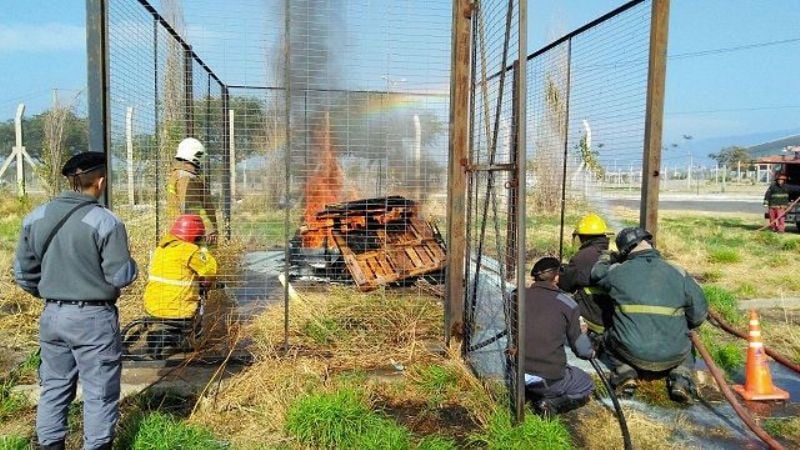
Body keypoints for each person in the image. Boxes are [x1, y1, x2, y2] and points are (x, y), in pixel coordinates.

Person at [15, 152, 138, 450]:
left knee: (54, 387)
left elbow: (22, 273)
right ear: (101, 181)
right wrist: (133, 266)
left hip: (52, 315)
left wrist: (52, 292)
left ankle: (49, 444)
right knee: (99, 392)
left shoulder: (35, 217)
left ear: (71, 181)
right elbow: (120, 275)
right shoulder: (105, 221)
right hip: (93, 319)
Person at [591, 227, 708, 403]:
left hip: (630, 351)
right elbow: (698, 316)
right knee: (688, 344)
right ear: (650, 244)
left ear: (624, 251)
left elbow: (596, 274)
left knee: (606, 338)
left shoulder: (617, 272)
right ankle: (680, 379)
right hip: (674, 353)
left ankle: (625, 374)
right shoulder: (678, 272)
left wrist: (606, 257)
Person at [523, 256, 595, 415]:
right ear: (556, 277)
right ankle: (550, 403)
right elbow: (582, 351)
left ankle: (530, 393)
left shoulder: (516, 296)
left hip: (516, 372)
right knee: (585, 382)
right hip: (548, 378)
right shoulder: (568, 304)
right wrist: (584, 337)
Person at [143, 214, 218, 320]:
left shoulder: (160, 249)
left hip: (152, 308)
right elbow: (209, 271)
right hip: (179, 311)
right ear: (195, 235)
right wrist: (205, 249)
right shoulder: (190, 250)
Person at [559, 213, 615, 338]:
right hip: (612, 319)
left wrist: (563, 272)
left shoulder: (583, 257)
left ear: (584, 237)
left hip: (594, 318)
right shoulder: (612, 255)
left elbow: (565, 283)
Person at [166, 138, 219, 244]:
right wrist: (208, 228)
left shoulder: (179, 175)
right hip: (192, 232)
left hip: (181, 229)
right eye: (200, 156)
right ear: (194, 155)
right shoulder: (187, 177)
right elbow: (192, 207)